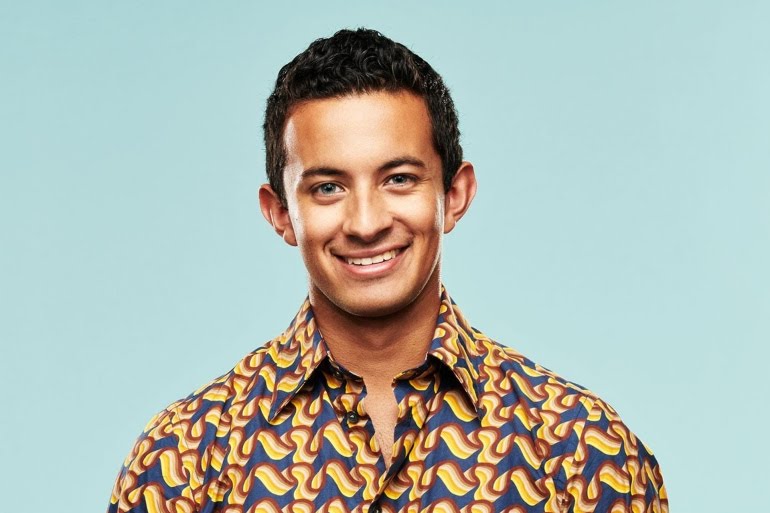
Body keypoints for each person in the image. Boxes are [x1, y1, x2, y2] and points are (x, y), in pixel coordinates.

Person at [107, 28, 667, 513]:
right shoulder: (184, 458)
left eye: (399, 179)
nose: (366, 222)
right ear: (280, 213)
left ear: (454, 194)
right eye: (328, 187)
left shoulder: (583, 451)